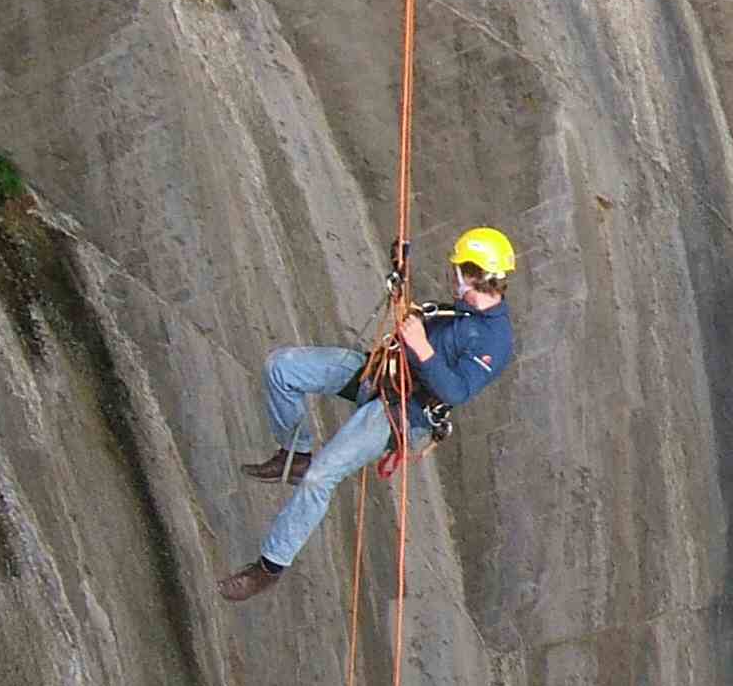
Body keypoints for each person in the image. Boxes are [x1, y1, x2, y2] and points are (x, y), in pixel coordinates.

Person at [218, 228, 517, 603]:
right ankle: (295, 452)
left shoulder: (495, 341)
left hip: (402, 411)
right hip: (379, 373)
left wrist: (421, 348)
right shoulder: (462, 311)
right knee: (282, 368)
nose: (451, 274)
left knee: (319, 479)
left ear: (473, 274)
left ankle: (269, 567)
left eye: (459, 269)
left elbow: (456, 390)